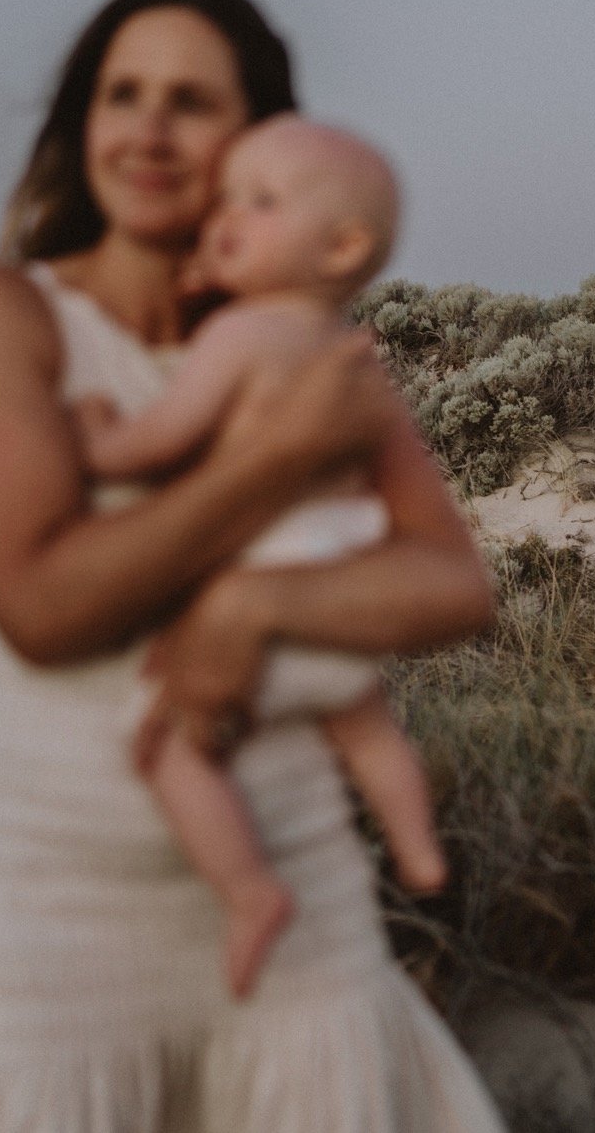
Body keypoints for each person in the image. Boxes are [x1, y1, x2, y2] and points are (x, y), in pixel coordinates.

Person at [0, 0, 505, 1131]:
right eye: (122, 95)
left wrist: (252, 607)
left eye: (190, 101)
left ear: (255, 133)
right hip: (58, 952)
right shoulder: (14, 319)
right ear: (83, 123)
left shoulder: (310, 347)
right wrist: (272, 466)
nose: (150, 131)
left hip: (305, 940)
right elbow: (40, 604)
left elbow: (455, 582)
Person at [76, 112, 447, 1000]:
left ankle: (248, 892)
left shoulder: (240, 336)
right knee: (364, 725)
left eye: (260, 203)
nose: (226, 218)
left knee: (167, 748)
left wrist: (100, 440)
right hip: (344, 587)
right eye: (227, 200)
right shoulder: (354, 354)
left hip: (258, 589)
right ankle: (421, 851)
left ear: (340, 245)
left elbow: (167, 437)